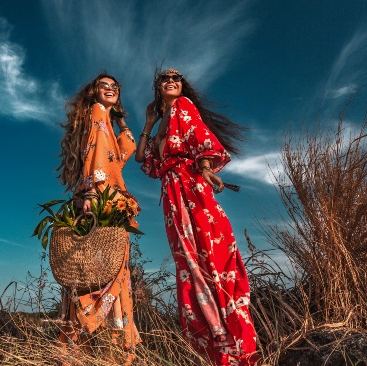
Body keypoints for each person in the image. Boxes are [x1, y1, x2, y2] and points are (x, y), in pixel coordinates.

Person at [135, 68, 258, 365]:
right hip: (171, 194)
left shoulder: (183, 106)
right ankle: (208, 348)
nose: (171, 81)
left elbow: (199, 136)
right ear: (158, 88)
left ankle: (234, 345)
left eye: (176, 78)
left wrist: (205, 168)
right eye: (165, 79)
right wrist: (150, 123)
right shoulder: (164, 118)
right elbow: (143, 159)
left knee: (211, 256)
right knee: (188, 263)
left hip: (191, 184)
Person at [56, 73, 141, 363]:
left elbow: (126, 147)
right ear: (93, 92)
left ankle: (95, 349)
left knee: (104, 273)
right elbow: (96, 154)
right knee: (100, 274)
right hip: (100, 198)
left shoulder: (106, 117)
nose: (111, 89)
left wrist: (120, 119)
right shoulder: (96, 112)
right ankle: (105, 347)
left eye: (116, 87)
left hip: (112, 200)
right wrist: (92, 191)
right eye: (104, 86)